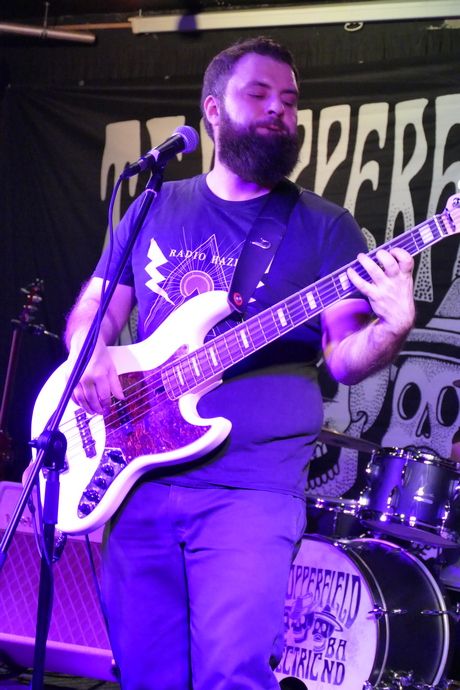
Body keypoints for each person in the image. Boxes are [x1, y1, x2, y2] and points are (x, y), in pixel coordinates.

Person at [64, 37, 415, 690]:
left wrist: (391, 327)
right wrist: (87, 350)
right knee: (146, 674)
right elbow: (97, 307)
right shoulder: (155, 204)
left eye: (290, 100)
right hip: (135, 478)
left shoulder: (324, 226)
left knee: (232, 673)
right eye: (258, 94)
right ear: (212, 110)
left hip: (251, 490)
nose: (279, 109)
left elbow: (343, 358)